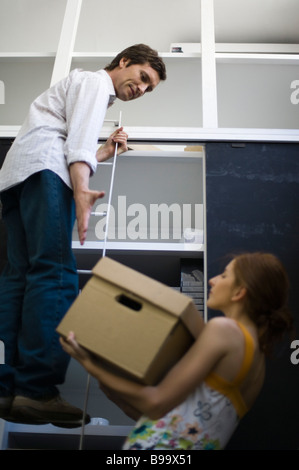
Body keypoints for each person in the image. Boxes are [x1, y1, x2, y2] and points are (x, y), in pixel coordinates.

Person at [0, 44, 166, 427]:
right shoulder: (95, 83)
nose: (141, 89)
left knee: (18, 278)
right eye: (142, 77)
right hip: (46, 176)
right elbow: (74, 150)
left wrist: (103, 152)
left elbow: (67, 143)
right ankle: (37, 390)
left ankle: (6, 387)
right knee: (55, 275)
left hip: (18, 178)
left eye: (149, 88)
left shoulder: (75, 85)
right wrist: (81, 192)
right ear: (124, 62)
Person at [61, 252, 294, 449]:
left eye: (224, 275)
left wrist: (89, 365)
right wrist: (111, 385)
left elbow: (155, 403)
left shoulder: (223, 330)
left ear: (239, 292)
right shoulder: (257, 362)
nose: (212, 280)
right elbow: (171, 416)